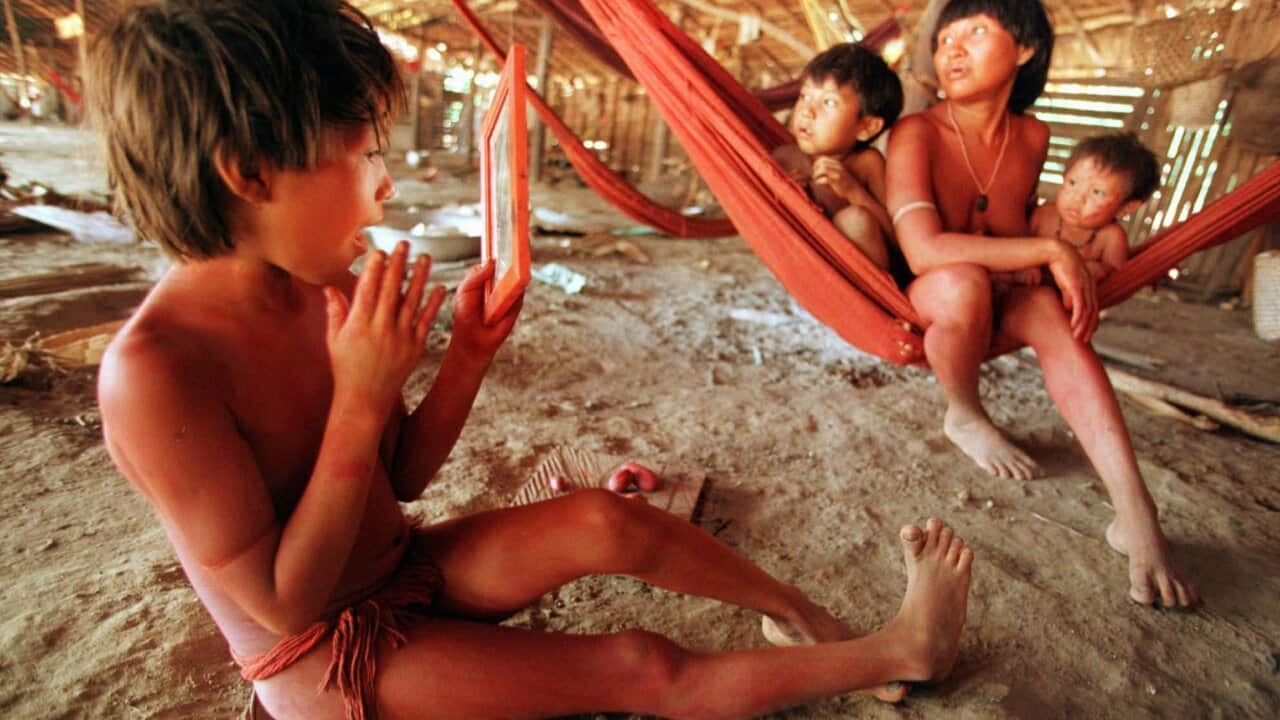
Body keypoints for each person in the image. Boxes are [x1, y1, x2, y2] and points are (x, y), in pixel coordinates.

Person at [90, 2, 975, 718]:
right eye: (360, 157)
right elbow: (285, 603)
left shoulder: (319, 287)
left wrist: (467, 356)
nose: (385, 186)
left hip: (401, 570)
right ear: (249, 172)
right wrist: (360, 400)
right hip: (330, 659)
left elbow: (398, 477)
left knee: (605, 521)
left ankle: (797, 616)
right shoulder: (159, 373)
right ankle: (905, 651)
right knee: (640, 665)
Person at [885, 0, 1198, 609]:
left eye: (975, 32)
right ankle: (963, 411)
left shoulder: (1034, 137)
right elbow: (923, 251)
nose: (950, 48)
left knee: (1054, 319)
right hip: (935, 295)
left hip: (1006, 290)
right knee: (964, 282)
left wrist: (1061, 256)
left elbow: (1016, 223)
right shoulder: (916, 132)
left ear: (1025, 50)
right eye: (946, 36)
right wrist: (1054, 252)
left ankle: (1135, 511)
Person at [772, 43, 904, 270]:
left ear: (867, 127)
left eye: (829, 102)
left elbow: (899, 240)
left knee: (854, 220)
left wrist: (853, 191)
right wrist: (789, 195)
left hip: (876, 281)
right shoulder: (784, 158)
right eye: (805, 95)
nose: (807, 111)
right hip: (816, 270)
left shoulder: (867, 163)